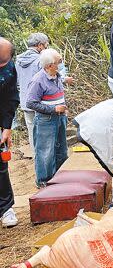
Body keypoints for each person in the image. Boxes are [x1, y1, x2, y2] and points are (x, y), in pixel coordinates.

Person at [15, 33, 72, 153]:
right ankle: (46, 166)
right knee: (45, 141)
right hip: (41, 104)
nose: (46, 48)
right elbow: (46, 79)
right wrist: (63, 79)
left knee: (33, 136)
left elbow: (17, 81)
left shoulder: (18, 60)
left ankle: (37, 161)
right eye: (46, 45)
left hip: (26, 101)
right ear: (40, 46)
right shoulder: (42, 60)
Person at [25, 49, 68, 187]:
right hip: (46, 121)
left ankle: (58, 179)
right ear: (49, 65)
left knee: (61, 150)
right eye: (59, 62)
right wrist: (53, 109)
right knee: (45, 153)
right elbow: (30, 103)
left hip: (60, 118)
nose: (61, 64)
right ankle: (44, 182)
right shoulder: (38, 81)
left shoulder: (56, 75)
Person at [0, 37, 19, 227]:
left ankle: (5, 209)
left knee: (1, 166)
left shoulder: (9, 69)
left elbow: (10, 97)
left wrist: (7, 127)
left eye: (2, 62)